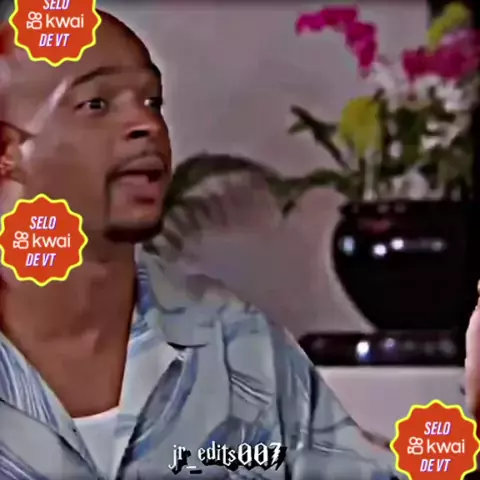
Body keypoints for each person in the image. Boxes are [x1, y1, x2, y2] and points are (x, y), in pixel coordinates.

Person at [0, 10, 402, 480]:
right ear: (8, 151)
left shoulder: (236, 342)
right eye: (97, 103)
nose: (146, 124)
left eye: (152, 101)